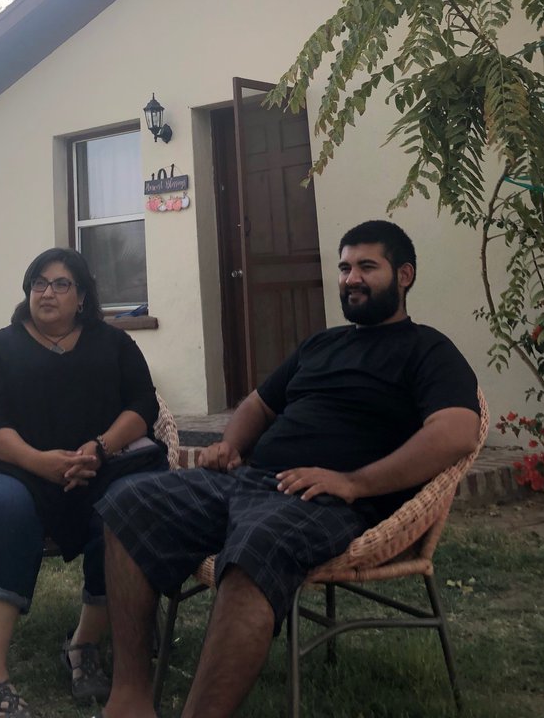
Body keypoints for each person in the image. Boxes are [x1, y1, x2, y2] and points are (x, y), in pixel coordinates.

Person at [96, 219, 481, 718]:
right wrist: (230, 445)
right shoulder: (322, 345)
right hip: (248, 481)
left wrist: (353, 482)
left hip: (327, 502)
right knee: (128, 501)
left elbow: (456, 431)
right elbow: (258, 404)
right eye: (344, 268)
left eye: (367, 266)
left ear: (404, 275)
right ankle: (128, 700)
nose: (351, 279)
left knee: (259, 545)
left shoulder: (428, 350)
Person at [0, 247, 166, 718]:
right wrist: (39, 462)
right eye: (38, 284)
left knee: (127, 506)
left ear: (83, 296)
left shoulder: (114, 344)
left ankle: (83, 645)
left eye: (60, 284)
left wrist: (99, 447)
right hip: (4, 467)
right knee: (7, 509)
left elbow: (143, 406)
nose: (47, 293)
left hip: (97, 465)